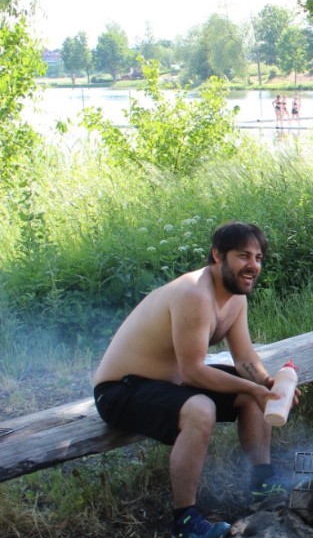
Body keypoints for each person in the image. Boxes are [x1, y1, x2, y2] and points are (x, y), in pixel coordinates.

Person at [93, 222, 292, 538]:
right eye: (243, 256)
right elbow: (193, 372)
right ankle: (185, 521)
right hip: (120, 390)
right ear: (217, 255)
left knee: (252, 395)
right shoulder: (194, 294)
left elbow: (244, 359)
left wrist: (268, 384)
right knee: (201, 408)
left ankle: (262, 483)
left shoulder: (235, 298)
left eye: (258, 257)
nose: (253, 265)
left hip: (168, 384)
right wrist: (254, 387)